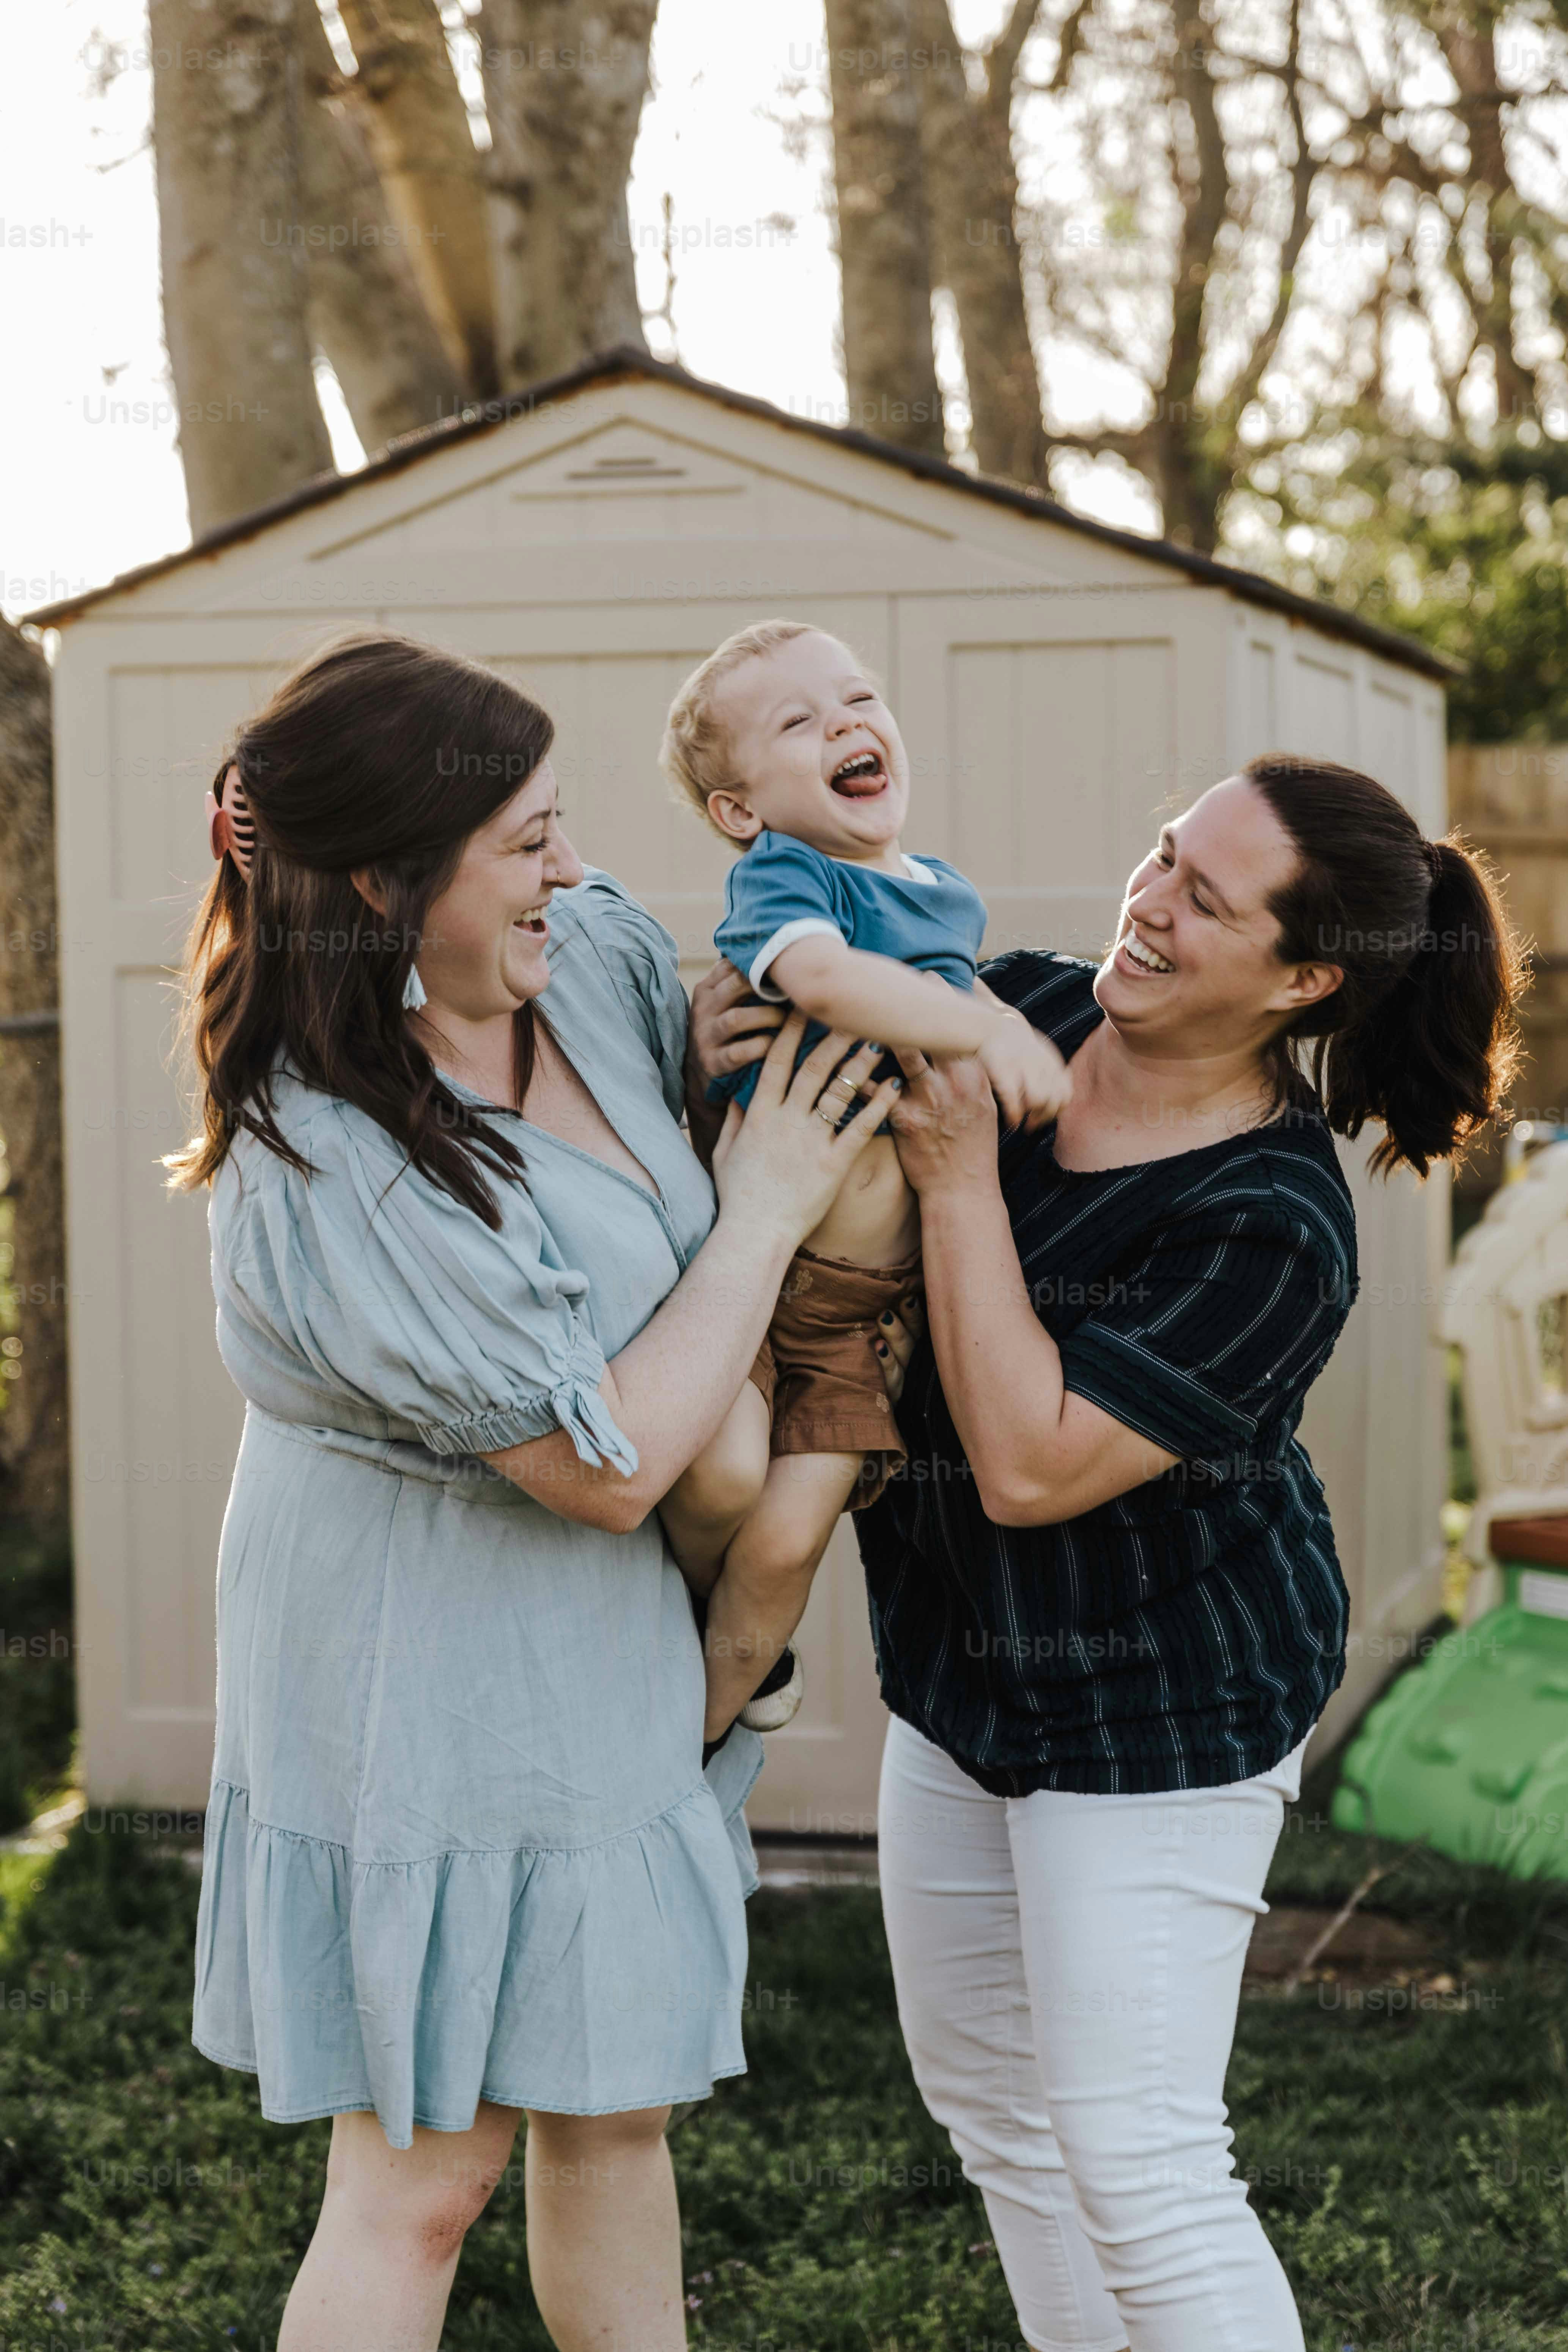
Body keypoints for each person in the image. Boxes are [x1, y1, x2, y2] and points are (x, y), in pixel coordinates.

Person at [690, 755, 1524, 2352]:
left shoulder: (1267, 1215)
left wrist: (952, 1183)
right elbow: (787, 1101)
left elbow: (1025, 1461)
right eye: (1159, 852)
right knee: (993, 2110)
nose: (1143, 901)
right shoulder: (1017, 1007)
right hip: (962, 1673)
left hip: (1160, 1705)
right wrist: (719, 1043)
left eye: (1202, 898)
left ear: (1300, 976)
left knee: (1137, 2157)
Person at [169, 632, 901, 2352]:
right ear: (381, 882)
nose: (571, 870)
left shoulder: (587, 965)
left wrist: (736, 1048)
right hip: (416, 1653)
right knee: (422, 2176)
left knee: (613, 2106)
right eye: (525, 843)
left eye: (564, 823)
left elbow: (694, 1090)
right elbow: (607, 1463)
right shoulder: (323, 1158)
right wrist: (768, 1199)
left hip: (599, 1645)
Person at [656, 620, 1069, 1751]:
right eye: (799, 721)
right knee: (725, 1477)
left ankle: (688, 1740)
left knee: (791, 1538)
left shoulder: (940, 890)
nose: (847, 723)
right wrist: (994, 1036)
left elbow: (952, 988)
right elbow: (833, 983)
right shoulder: (785, 882)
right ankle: (677, 1617)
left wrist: (995, 1019)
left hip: (853, 1307)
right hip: (747, 1271)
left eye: (858, 699)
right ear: (740, 809)